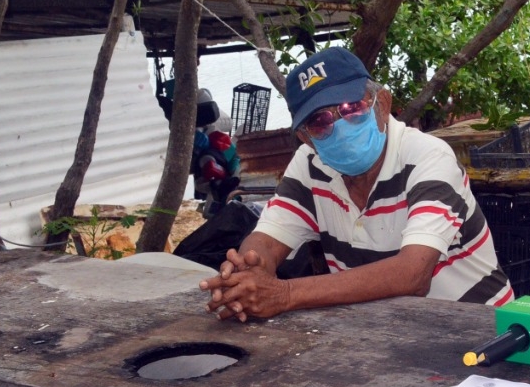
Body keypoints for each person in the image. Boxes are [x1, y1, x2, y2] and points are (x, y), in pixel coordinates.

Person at [200, 46, 513, 320]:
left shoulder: (428, 158)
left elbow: (412, 274)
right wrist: (249, 270)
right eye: (320, 122)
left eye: (352, 108)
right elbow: (267, 240)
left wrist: (283, 294)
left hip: (483, 333)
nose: (340, 125)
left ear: (382, 104)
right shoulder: (310, 166)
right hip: (386, 338)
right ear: (305, 138)